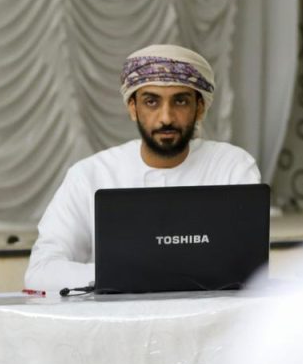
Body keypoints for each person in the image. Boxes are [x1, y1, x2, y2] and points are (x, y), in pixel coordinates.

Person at [25, 44, 260, 292]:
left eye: (180, 101)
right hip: (118, 317)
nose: (166, 117)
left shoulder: (231, 167)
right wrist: (130, 274)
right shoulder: (90, 175)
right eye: (151, 102)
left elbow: (250, 269)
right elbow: (41, 272)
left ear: (199, 108)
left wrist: (144, 273)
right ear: (133, 108)